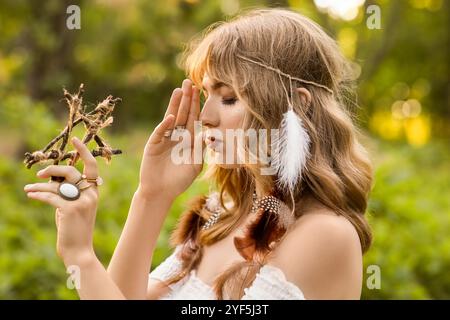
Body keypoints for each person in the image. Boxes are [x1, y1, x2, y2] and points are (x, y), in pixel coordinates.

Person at [24, 8, 373, 300]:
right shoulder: (220, 216)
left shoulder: (323, 235)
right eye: (207, 96)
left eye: (230, 98)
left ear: (296, 106)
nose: (206, 118)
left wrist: (82, 258)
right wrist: (152, 195)